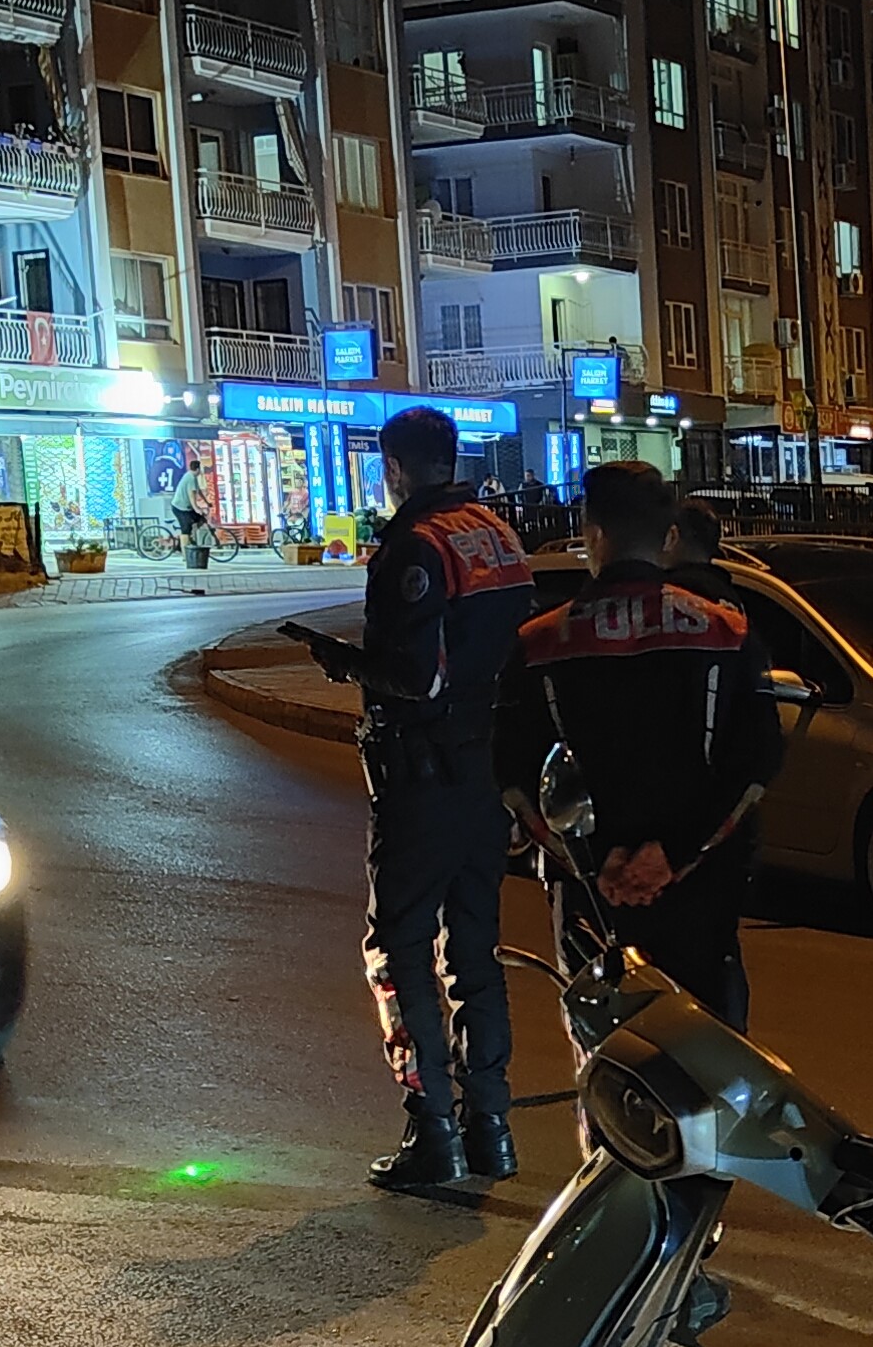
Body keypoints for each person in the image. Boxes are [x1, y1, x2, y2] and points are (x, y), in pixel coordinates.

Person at [305, 407, 532, 1191]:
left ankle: (432, 1127)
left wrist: (344, 663)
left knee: (398, 950)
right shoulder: (497, 536)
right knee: (475, 952)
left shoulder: (415, 546)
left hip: (422, 773)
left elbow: (416, 677)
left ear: (395, 465)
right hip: (486, 772)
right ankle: (491, 1126)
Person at [500, 461, 782, 1027]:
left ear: (593, 533)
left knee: (607, 1061)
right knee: (710, 1059)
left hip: (592, 904)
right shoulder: (727, 632)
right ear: (668, 536)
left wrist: (595, 865)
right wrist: (674, 856)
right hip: (700, 900)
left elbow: (512, 775)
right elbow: (756, 765)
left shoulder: (538, 644)